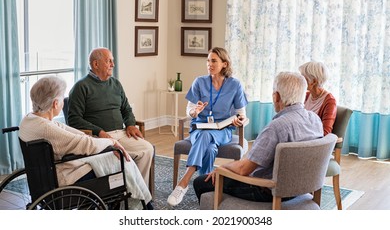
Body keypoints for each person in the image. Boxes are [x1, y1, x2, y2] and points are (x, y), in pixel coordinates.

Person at [19, 76, 152, 209]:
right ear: (55, 103)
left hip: (43, 178)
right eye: (62, 99)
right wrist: (110, 142)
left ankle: (135, 200)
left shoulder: (29, 120)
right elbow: (83, 144)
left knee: (110, 156)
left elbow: (67, 131)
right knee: (119, 160)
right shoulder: (47, 129)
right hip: (64, 177)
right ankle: (140, 204)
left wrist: (101, 140)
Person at [193, 71, 323, 203]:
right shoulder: (315, 120)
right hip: (300, 189)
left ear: (276, 96)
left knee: (200, 182)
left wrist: (222, 168)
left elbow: (244, 169)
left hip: (266, 191)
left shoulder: (276, 127)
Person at [167, 47, 248, 207]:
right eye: (208, 60)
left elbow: (242, 115)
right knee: (210, 148)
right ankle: (204, 188)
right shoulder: (199, 82)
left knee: (207, 136)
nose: (209, 64)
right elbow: (189, 110)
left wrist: (240, 121)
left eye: (213, 61)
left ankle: (183, 182)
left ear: (224, 64)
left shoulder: (235, 85)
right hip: (199, 128)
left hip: (223, 130)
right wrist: (194, 112)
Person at [67, 47, 154, 187]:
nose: (113, 65)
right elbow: (74, 119)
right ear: (96, 64)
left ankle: (137, 195)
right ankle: (123, 193)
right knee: (117, 157)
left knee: (146, 149)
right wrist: (99, 132)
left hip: (121, 133)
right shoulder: (81, 87)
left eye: (112, 61)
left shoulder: (115, 84)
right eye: (109, 61)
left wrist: (131, 124)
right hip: (98, 138)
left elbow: (126, 108)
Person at [299, 61, 337, 135]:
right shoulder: (305, 95)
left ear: (313, 81)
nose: (300, 81)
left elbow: (325, 132)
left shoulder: (330, 101)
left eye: (303, 78)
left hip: (314, 142)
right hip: (301, 137)